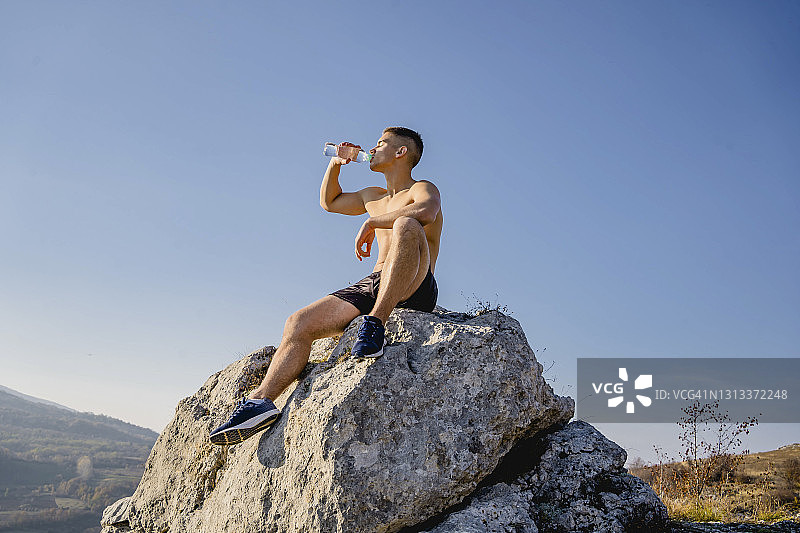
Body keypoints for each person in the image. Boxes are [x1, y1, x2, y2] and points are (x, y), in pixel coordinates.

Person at [210, 127, 443, 445]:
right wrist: (336, 164)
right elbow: (329, 202)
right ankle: (259, 403)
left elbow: (426, 212)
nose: (373, 149)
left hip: (415, 283)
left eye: (380, 144)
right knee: (298, 322)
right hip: (374, 282)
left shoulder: (421, 188)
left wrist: (374, 222)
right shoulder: (372, 196)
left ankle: (375, 324)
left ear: (400, 153)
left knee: (406, 223)